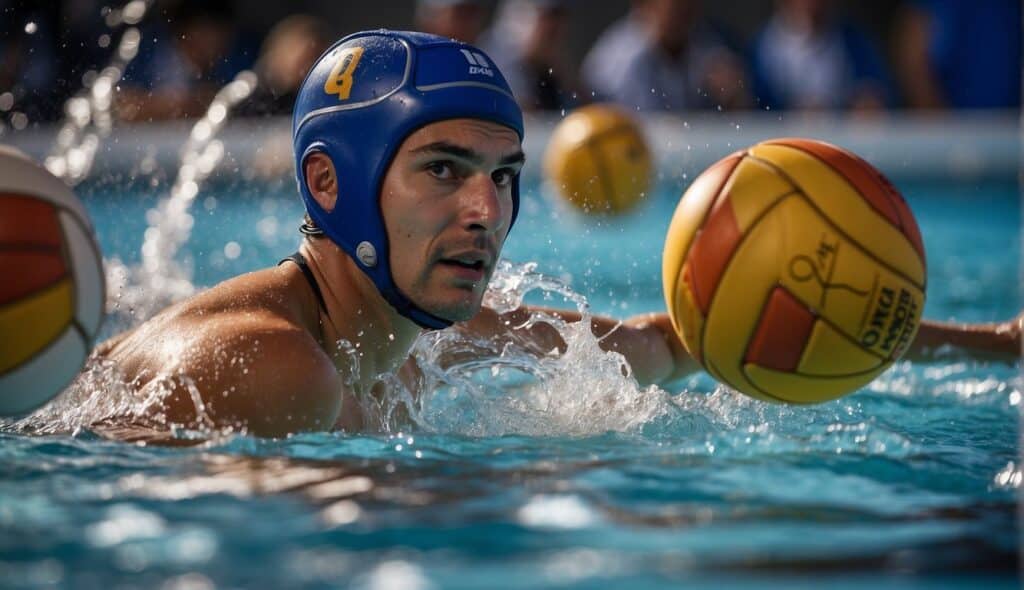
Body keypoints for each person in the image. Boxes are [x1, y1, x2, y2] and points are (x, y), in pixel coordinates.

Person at [94, 30, 1021, 438]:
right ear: (329, 184)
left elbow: (685, 340)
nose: (485, 212)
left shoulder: (421, 334)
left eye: (503, 178)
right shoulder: (272, 365)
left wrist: (995, 346)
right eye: (444, 170)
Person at [581, 0, 749, 112]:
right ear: (645, 5)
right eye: (676, 7)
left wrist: (733, 99)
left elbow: (738, 121)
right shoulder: (616, 64)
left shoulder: (708, 47)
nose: (685, 11)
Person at [751, 0, 890, 112]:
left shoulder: (853, 41)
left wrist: (866, 100)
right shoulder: (762, 48)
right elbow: (756, 108)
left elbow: (878, 91)